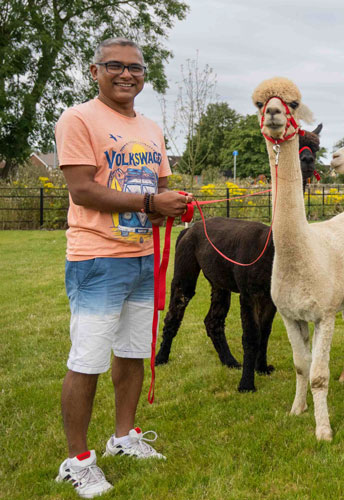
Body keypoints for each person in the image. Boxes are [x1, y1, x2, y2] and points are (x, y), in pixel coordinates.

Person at [54, 37, 192, 498]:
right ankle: (77, 461)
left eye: (134, 68)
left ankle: (124, 437)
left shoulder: (152, 129)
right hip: (97, 258)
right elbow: (83, 190)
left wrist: (168, 207)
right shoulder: (78, 119)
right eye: (114, 66)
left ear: (144, 76)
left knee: (133, 354)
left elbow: (159, 188)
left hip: (142, 257)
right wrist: (152, 200)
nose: (125, 74)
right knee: (87, 361)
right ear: (95, 71)